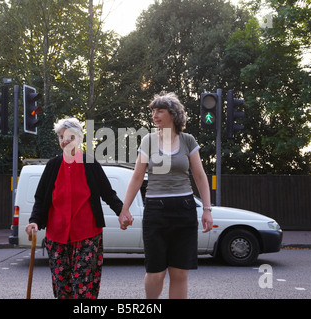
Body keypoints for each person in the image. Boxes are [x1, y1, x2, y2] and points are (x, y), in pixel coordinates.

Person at [119, 92, 213, 299]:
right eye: (153, 111)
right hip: (156, 211)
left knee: (179, 272)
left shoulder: (188, 141)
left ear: (173, 114)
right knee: (156, 273)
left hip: (185, 208)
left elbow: (199, 176)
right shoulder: (148, 140)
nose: (154, 115)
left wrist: (207, 209)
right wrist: (124, 209)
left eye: (160, 110)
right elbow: (137, 177)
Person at [26, 118, 124, 299]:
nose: (64, 141)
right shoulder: (53, 166)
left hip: (87, 236)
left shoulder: (90, 164)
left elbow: (108, 193)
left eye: (69, 137)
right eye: (61, 137)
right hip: (56, 237)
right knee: (62, 288)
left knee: (83, 288)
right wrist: (34, 221)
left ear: (79, 139)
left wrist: (122, 213)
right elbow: (41, 199)